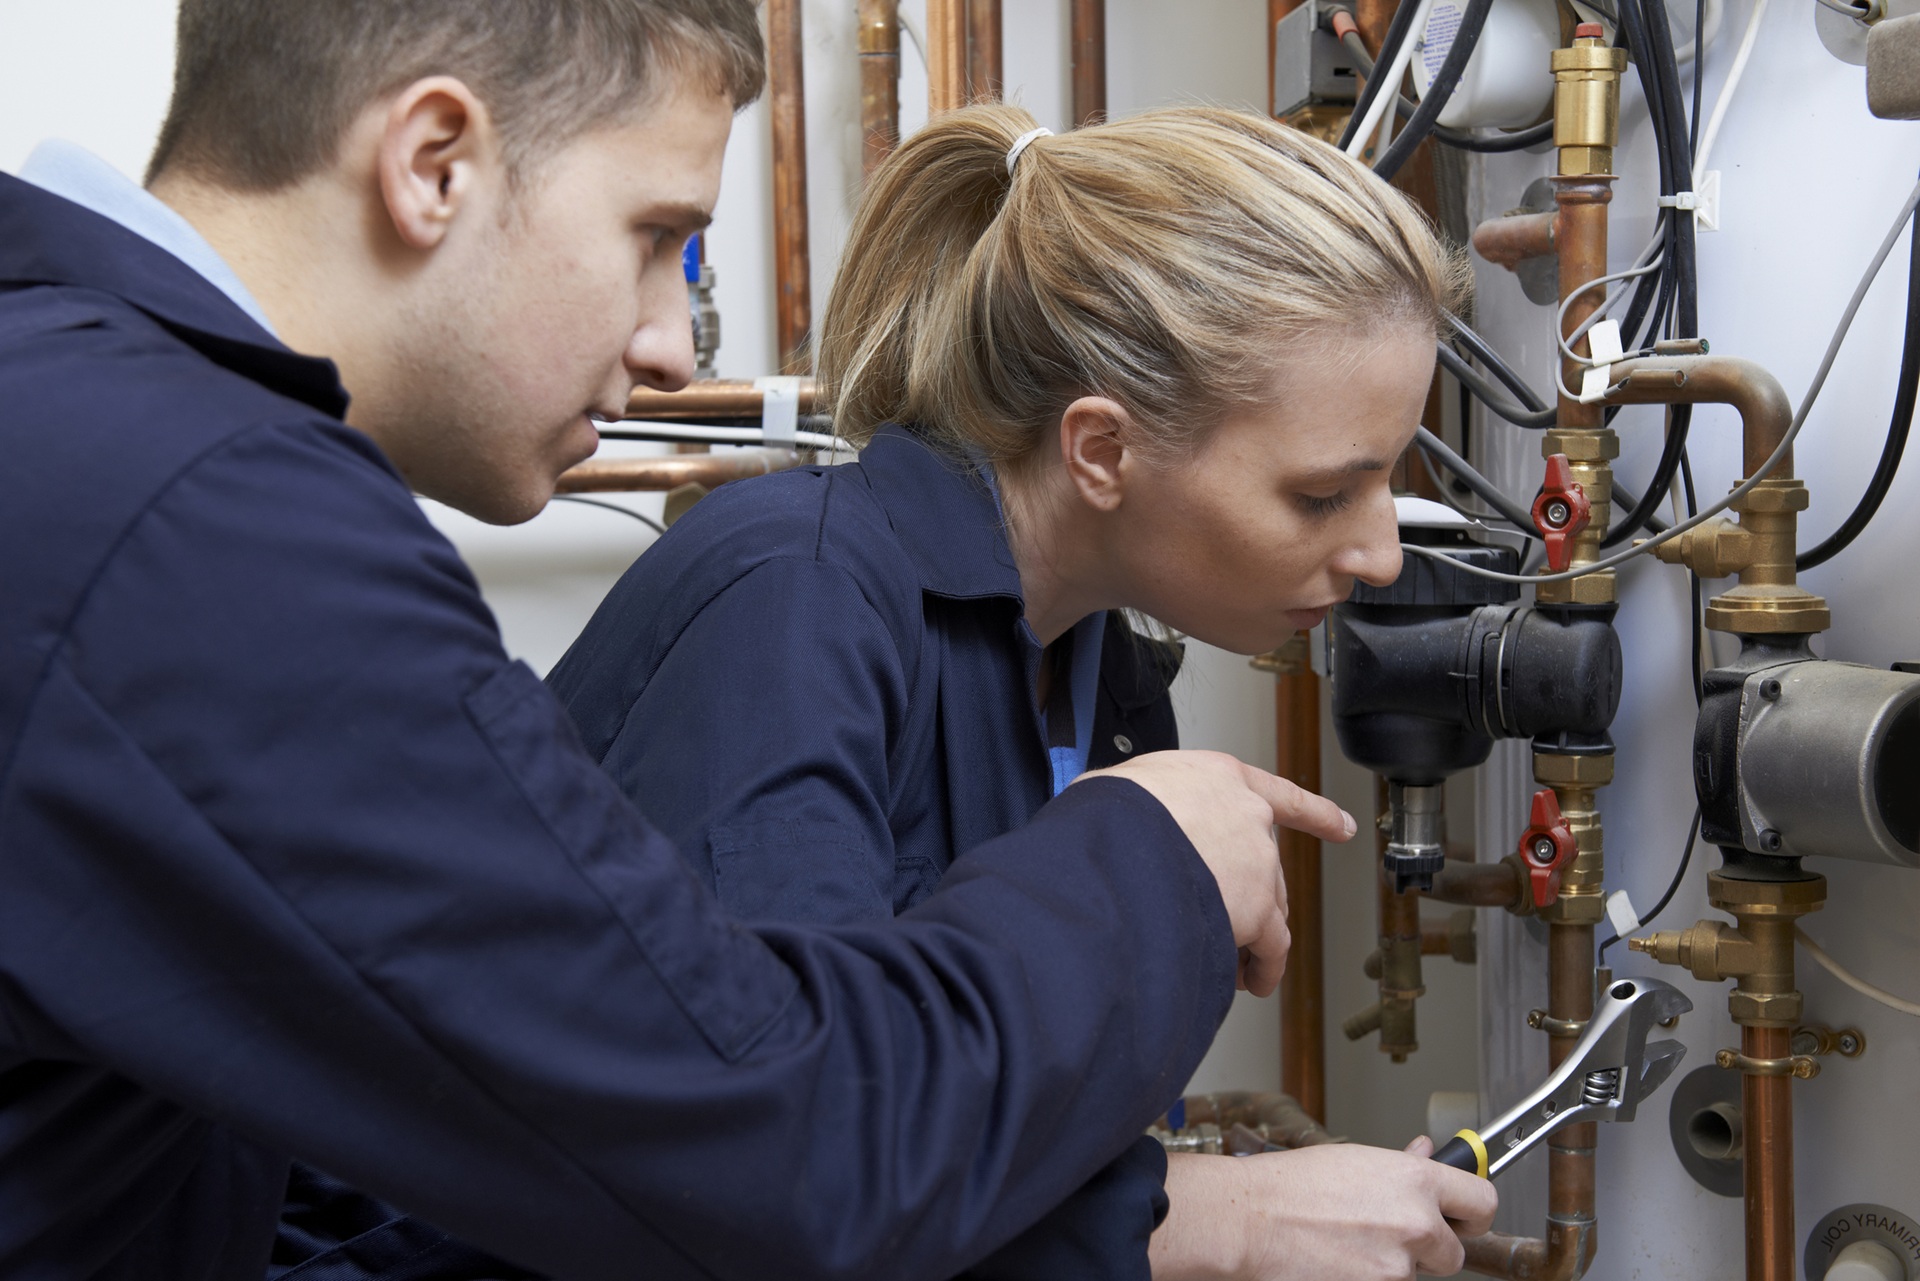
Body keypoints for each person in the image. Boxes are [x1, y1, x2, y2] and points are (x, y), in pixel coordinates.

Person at [0, 3, 1351, 1278]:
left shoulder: (83, 431)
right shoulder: (196, 521)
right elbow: (794, 1158)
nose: (670, 350)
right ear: (433, 163)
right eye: (656, 237)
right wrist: (1153, 854)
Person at [547, 104, 1501, 1281]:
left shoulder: (1105, 684)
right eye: (1320, 496)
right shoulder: (792, 600)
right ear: (1101, 450)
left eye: (1388, 481)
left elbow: (996, 1150)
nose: (1383, 556)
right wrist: (1218, 1222)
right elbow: (771, 1177)